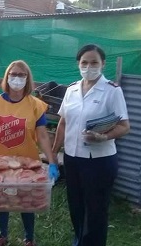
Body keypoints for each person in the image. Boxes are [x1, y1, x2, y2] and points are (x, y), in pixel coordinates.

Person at [0, 60, 59, 246]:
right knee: (1, 199)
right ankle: (2, 236)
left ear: (27, 79)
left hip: (27, 162)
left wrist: (51, 162)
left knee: (28, 201)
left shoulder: (35, 105)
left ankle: (29, 238)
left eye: (21, 75)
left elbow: (42, 136)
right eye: (13, 74)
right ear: (7, 77)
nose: (17, 78)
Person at [52, 44, 130, 246]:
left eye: (94, 62)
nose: (89, 66)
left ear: (103, 64)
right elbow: (62, 123)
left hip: (100, 161)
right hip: (72, 159)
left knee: (96, 210)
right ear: (78, 64)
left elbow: (124, 126)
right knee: (76, 205)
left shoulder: (112, 91)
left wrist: (105, 137)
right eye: (84, 62)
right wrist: (53, 152)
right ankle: (79, 239)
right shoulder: (71, 90)